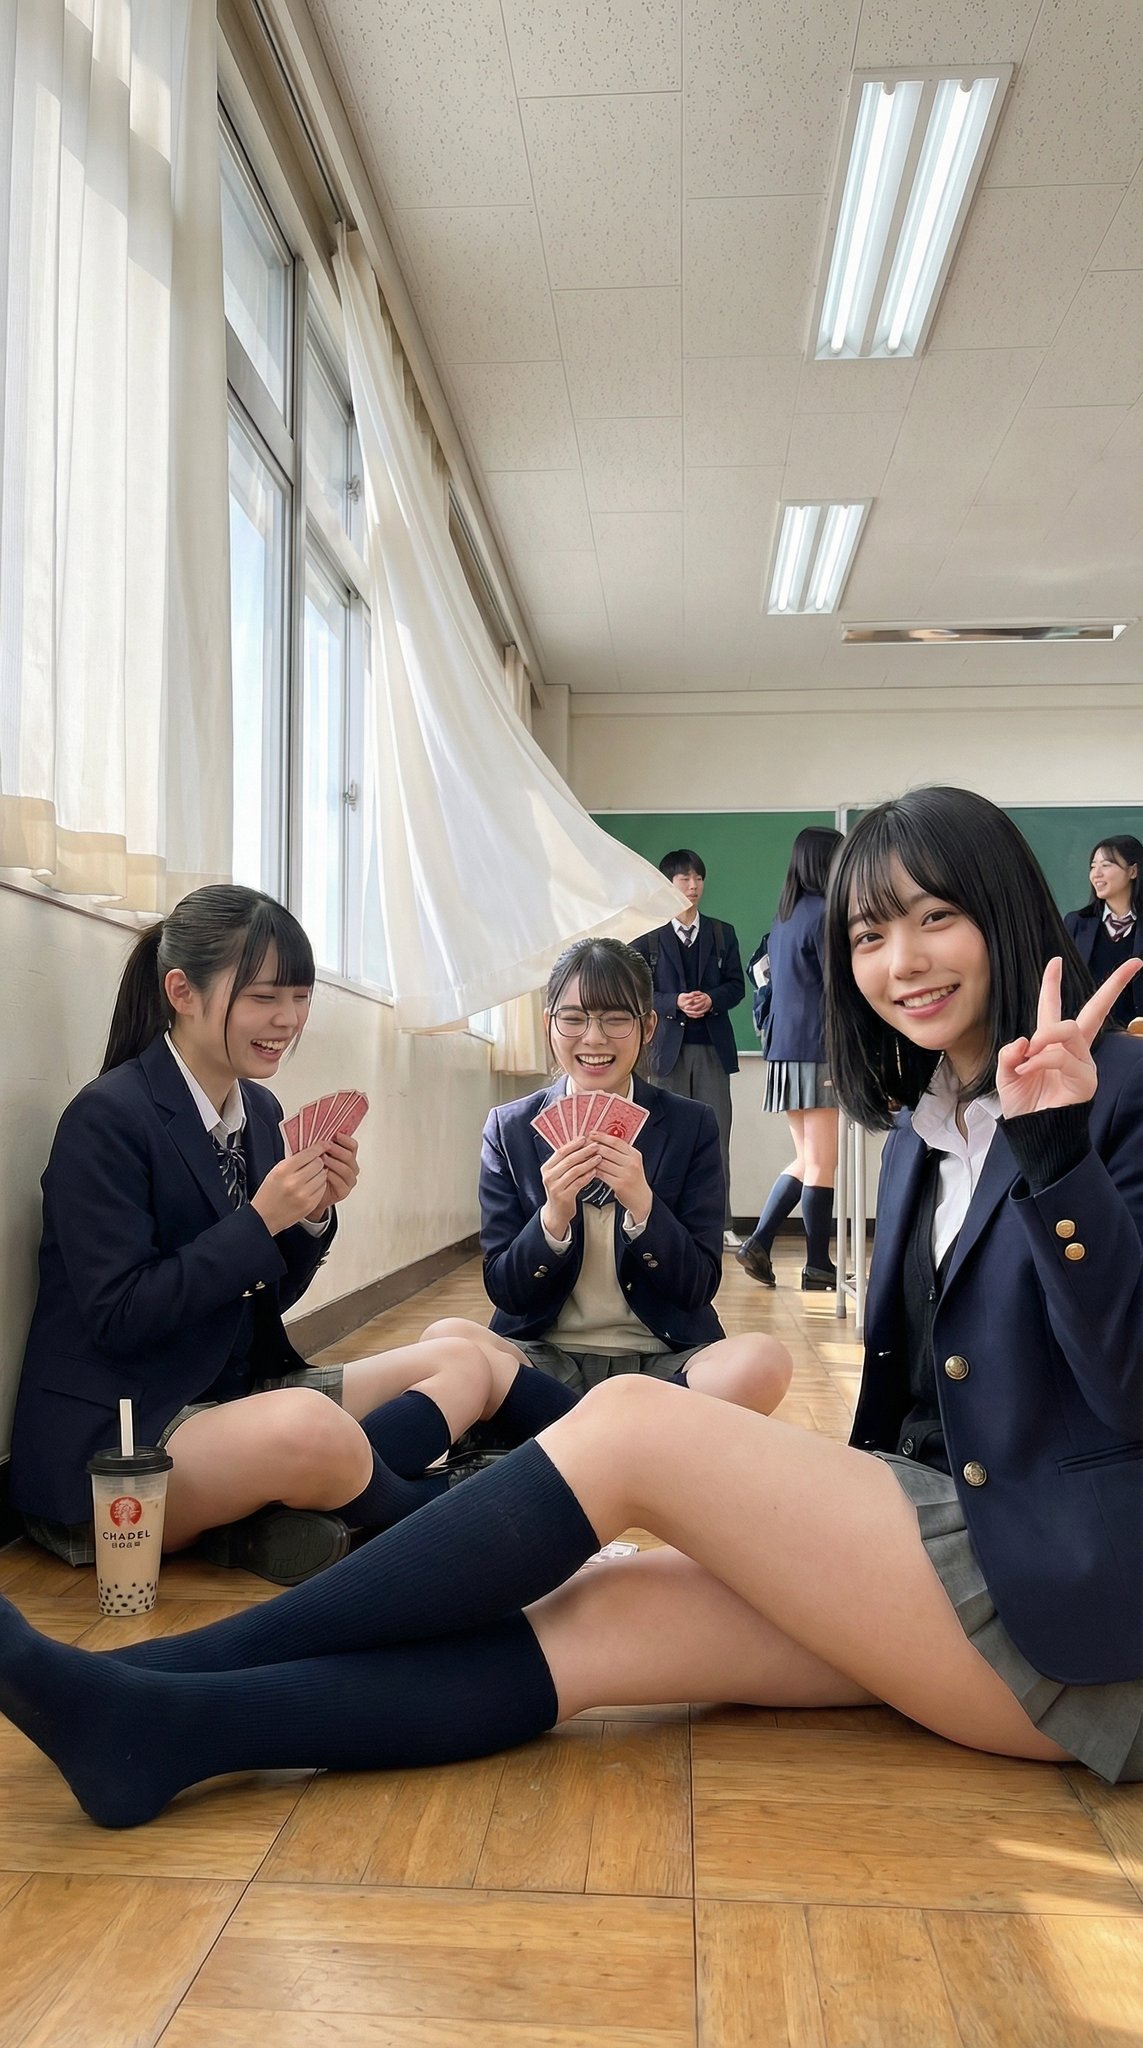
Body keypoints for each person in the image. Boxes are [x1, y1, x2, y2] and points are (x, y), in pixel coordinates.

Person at [3, 786, 1141, 1830]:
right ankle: (161, 1731)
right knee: (605, 1612)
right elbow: (511, 1292)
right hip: (953, 1540)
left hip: (1083, 1617)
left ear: (1004, 912)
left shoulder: (1104, 1099)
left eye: (934, 918)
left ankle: (161, 1669)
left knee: (644, 1424)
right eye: (867, 935)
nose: (902, 961)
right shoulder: (926, 1132)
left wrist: (1057, 1159)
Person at [8, 886, 526, 1586]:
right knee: (309, 1427)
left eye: (301, 997)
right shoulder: (107, 1118)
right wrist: (260, 1221)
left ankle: (271, 1522)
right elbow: (120, 1316)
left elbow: (264, 1298)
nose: (288, 1020)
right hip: (128, 1440)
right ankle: (445, 1511)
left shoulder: (257, 1107)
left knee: (460, 1360)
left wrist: (309, 1218)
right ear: (182, 993)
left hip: (236, 1399)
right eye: (263, 997)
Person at [438, 936, 790, 1417]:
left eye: (616, 1018)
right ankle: (626, 1435)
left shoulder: (691, 1125)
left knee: (763, 1361)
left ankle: (571, 1431)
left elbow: (698, 1286)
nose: (594, 1038)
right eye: (574, 1018)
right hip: (542, 1359)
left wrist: (644, 1208)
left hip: (663, 1362)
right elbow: (507, 1292)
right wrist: (552, 1219)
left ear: (648, 1026)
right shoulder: (510, 1128)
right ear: (548, 1024)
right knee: (446, 1340)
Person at [737, 826, 843, 1290]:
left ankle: (759, 1241)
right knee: (821, 1163)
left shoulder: (784, 917)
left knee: (806, 1158)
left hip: (784, 1051)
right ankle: (817, 1266)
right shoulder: (824, 915)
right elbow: (840, 990)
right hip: (816, 1049)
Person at [631, 851, 745, 1245]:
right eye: (684, 879)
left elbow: (736, 986)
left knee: (716, 1136)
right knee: (662, 1137)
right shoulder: (648, 937)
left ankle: (722, 1225)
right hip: (664, 1054)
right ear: (668, 885)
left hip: (712, 1049)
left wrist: (711, 999)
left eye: (698, 878)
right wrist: (673, 1002)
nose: (693, 886)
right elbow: (639, 992)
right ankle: (659, 1219)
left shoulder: (722, 933)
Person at [1065, 835, 1143, 1027]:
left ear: (1133, 871)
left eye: (1106, 865)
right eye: (1093, 867)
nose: (1096, 874)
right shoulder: (1077, 923)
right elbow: (1066, 984)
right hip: (1089, 1035)